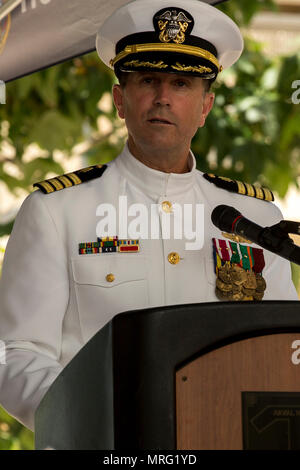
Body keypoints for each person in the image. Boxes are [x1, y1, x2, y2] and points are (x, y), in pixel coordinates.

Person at [0, 0, 298, 432]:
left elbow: (285, 346)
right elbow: (17, 351)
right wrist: (96, 417)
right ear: (120, 99)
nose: (163, 98)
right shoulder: (56, 211)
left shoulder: (254, 217)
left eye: (181, 84)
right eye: (148, 80)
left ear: (205, 107)